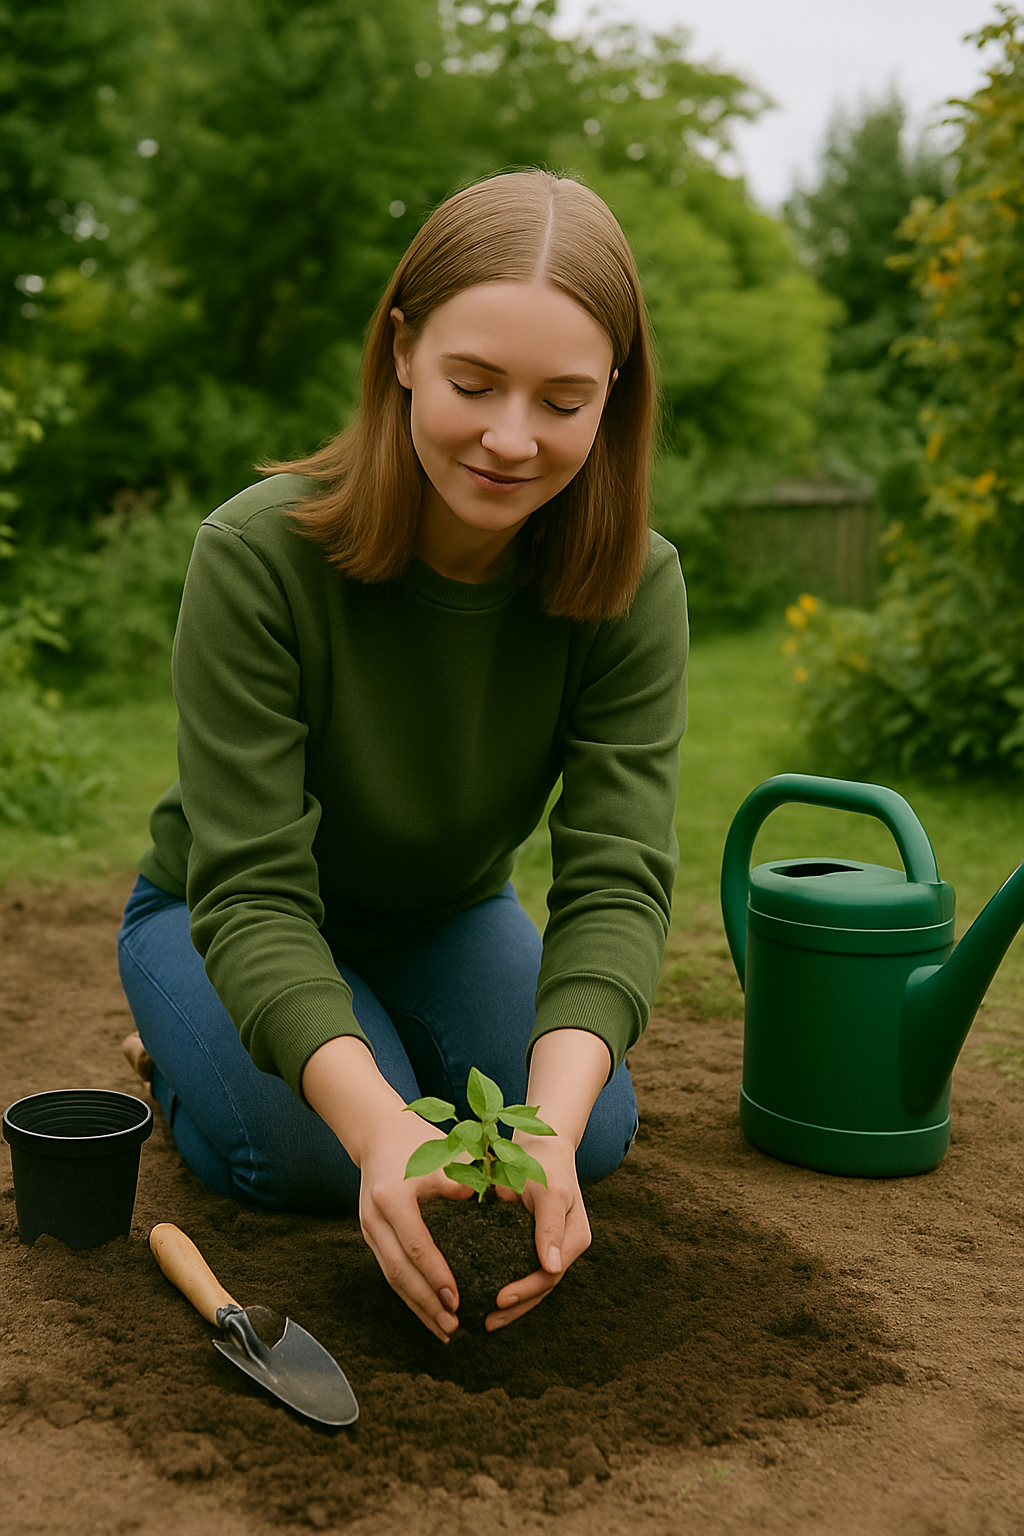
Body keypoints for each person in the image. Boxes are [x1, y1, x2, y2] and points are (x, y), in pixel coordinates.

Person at [118, 169, 688, 1343]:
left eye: (563, 400)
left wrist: (544, 1126)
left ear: (612, 400)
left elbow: (614, 878)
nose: (512, 439)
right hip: (219, 913)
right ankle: (179, 1047)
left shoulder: (634, 587)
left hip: (443, 913)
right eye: (473, 383)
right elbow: (257, 888)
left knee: (593, 1130)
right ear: (401, 353)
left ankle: (345, 1045)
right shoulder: (256, 555)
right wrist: (378, 1129)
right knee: (309, 1164)